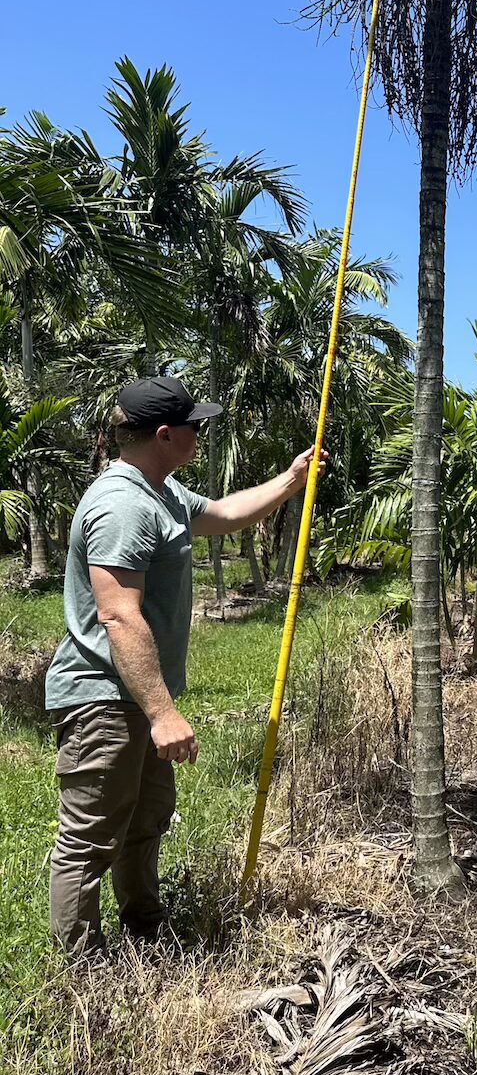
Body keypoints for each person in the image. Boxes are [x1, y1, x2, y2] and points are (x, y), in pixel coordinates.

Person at [45, 375, 326, 959]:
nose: (202, 435)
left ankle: (145, 928)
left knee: (145, 823)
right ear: (166, 434)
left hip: (135, 698)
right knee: (90, 838)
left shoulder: (161, 491)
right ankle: (81, 973)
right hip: (105, 697)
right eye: (196, 427)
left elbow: (223, 514)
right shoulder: (123, 504)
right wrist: (162, 711)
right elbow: (119, 616)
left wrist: (293, 479)